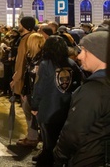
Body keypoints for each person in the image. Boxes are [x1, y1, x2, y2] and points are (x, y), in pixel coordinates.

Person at [54, 30, 110, 166]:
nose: (79, 56)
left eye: (84, 51)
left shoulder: (94, 90)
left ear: (99, 54)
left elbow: (73, 133)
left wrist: (59, 156)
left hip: (88, 158)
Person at [30, 35, 83, 166]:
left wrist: (34, 105)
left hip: (48, 107)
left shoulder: (45, 64)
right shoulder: (71, 63)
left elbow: (39, 87)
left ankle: (48, 159)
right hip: (65, 106)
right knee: (59, 136)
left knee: (48, 138)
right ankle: (49, 155)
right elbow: (79, 82)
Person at [10, 16, 39, 148]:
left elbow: (23, 62)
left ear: (25, 25)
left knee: (28, 108)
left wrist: (16, 78)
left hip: (26, 81)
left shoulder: (29, 39)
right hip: (26, 79)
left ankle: (32, 137)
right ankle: (32, 135)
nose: (18, 26)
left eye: (19, 24)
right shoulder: (28, 38)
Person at [18, 32, 46, 149]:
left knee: (33, 116)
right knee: (29, 115)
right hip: (30, 91)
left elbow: (37, 80)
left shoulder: (41, 60)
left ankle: (33, 138)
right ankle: (32, 135)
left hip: (35, 93)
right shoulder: (32, 57)